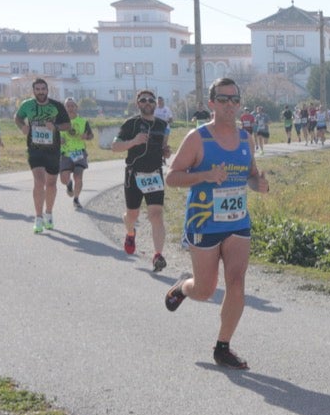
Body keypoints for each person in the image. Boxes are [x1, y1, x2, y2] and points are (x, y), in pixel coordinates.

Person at [163, 77, 271, 369]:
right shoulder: (198, 138)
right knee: (205, 290)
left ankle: (223, 347)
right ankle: (182, 288)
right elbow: (171, 177)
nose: (229, 105)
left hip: (237, 222)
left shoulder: (246, 138)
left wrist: (257, 184)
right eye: (222, 100)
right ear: (211, 103)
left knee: (236, 282)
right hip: (203, 221)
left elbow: (250, 174)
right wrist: (204, 176)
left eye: (234, 100)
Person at [110, 88, 173, 271]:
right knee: (132, 215)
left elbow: (162, 147)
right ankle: (130, 233)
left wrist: (165, 151)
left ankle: (158, 255)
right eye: (143, 100)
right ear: (138, 104)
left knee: (156, 214)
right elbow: (115, 146)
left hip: (154, 174)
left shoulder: (162, 125)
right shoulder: (131, 124)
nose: (147, 103)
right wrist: (133, 142)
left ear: (155, 104)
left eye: (151, 100)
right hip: (134, 174)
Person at [14, 78, 72, 233]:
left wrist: (55, 127)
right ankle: (38, 218)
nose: (41, 91)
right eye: (38, 89)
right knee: (39, 181)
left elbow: (68, 125)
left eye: (43, 89)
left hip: (53, 150)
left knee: (51, 184)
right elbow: (17, 117)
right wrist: (22, 127)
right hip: (34, 149)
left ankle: (49, 213)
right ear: (34, 91)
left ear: (47, 90)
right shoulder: (27, 105)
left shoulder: (57, 106)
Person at [57, 98, 93, 207]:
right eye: (68, 106)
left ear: (76, 108)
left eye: (72, 106)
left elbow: (91, 136)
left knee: (78, 176)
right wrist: (58, 140)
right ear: (65, 108)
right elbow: (53, 137)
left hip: (78, 153)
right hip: (65, 153)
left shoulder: (83, 122)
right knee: (63, 178)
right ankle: (68, 184)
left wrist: (86, 136)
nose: (70, 108)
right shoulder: (59, 122)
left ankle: (76, 199)